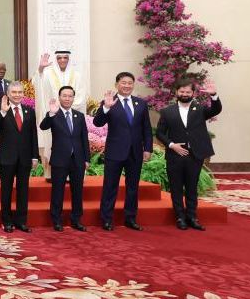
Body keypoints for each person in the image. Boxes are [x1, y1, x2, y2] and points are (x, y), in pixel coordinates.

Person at [155, 78, 222, 231]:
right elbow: (160, 133)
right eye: (182, 91)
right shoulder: (167, 111)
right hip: (175, 155)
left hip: (195, 154)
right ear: (176, 92)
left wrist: (214, 95)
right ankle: (180, 217)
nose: (184, 94)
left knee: (192, 187)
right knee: (176, 187)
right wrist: (172, 145)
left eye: (188, 92)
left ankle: (192, 217)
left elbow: (216, 110)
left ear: (193, 93)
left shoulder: (200, 109)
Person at [93, 71, 152, 231]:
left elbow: (146, 128)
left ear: (133, 85)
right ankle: (106, 219)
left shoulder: (141, 103)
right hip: (115, 151)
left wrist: (148, 148)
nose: (127, 85)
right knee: (110, 186)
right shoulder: (109, 102)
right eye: (123, 83)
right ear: (116, 85)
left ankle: (130, 218)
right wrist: (105, 107)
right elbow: (98, 123)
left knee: (133, 187)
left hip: (135, 152)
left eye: (130, 83)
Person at [0, 82, 39, 232]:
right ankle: (7, 221)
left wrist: (34, 156)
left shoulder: (29, 111)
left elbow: (33, 135)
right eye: (14, 92)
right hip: (7, 157)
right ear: (8, 94)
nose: (17, 95)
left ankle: (21, 221)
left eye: (20, 92)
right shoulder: (2, 110)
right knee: (6, 191)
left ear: (23, 94)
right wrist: (3, 112)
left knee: (23, 190)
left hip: (24, 158)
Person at [39, 85, 90, 231]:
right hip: (60, 159)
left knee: (77, 191)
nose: (67, 98)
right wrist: (51, 113)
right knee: (57, 191)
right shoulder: (54, 114)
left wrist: (87, 158)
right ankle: (56, 220)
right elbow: (43, 126)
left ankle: (76, 219)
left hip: (78, 159)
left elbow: (84, 138)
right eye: (64, 96)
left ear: (73, 98)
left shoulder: (79, 116)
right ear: (60, 97)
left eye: (70, 96)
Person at [32, 51, 87, 182]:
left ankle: (72, 174)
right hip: (54, 116)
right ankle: (51, 174)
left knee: (72, 142)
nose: (62, 60)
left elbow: (81, 95)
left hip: (70, 117)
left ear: (69, 59)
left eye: (65, 58)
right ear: (56, 59)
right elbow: (37, 84)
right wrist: (40, 69)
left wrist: (67, 108)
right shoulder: (47, 73)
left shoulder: (77, 75)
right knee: (53, 143)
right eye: (60, 58)